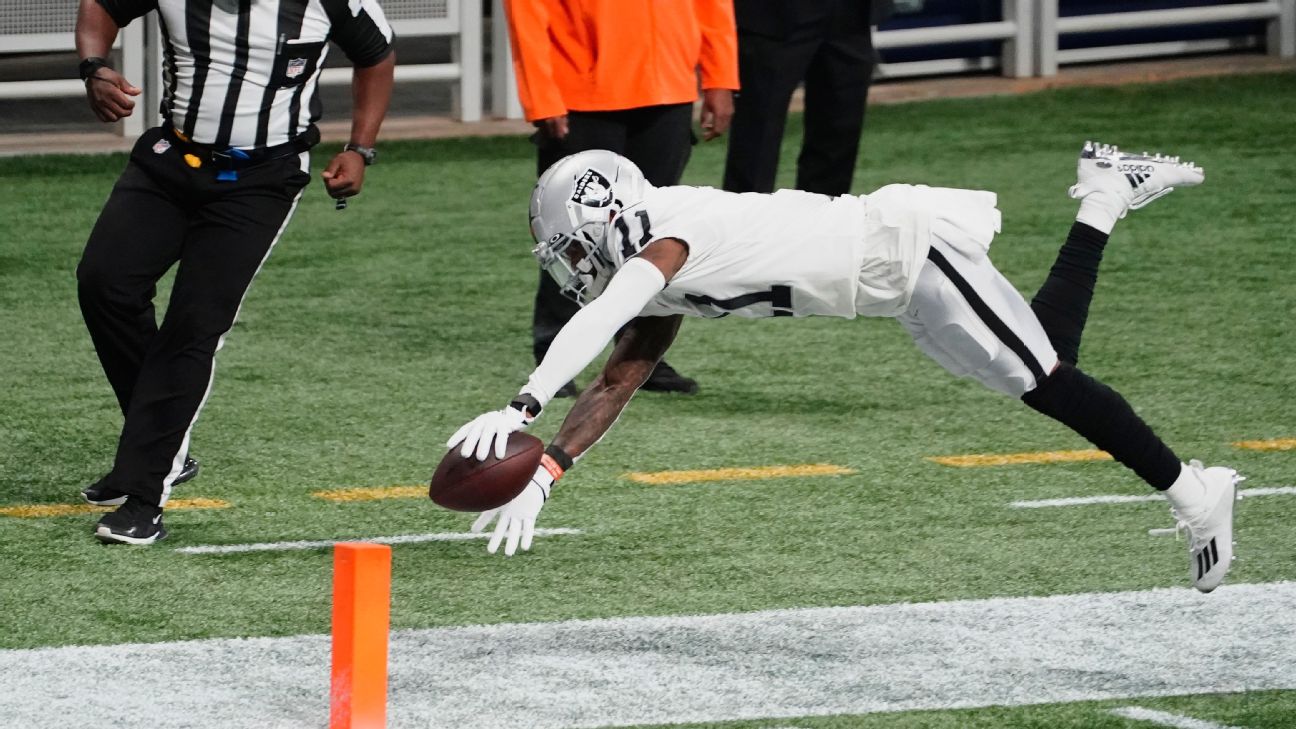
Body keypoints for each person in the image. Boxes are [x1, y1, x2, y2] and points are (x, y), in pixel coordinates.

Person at [448, 142, 1241, 594]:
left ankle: (1195, 491)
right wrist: (548, 467)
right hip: (894, 291)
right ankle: (1105, 193)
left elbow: (609, 310)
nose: (570, 266)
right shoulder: (650, 250)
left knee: (1048, 379)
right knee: (1042, 368)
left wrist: (520, 407)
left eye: (571, 247)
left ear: (600, 218)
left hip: (911, 250)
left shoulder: (661, 231)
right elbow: (620, 373)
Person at [74, 0, 395, 545]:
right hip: (169, 158)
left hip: (261, 178)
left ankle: (145, 496)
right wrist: (94, 68)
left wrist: (360, 146)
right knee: (104, 284)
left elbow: (378, 54)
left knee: (193, 326)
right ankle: (160, 444)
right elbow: (100, 7)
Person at [501, 0, 741, 396]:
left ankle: (642, 353)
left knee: (656, 233)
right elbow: (526, 11)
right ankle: (553, 353)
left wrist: (720, 78)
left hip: (668, 87)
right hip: (582, 92)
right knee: (572, 238)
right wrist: (542, 96)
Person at [723, 0, 891, 195]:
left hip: (851, 14)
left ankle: (823, 219)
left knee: (840, 128)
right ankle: (746, 220)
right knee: (757, 135)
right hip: (773, 15)